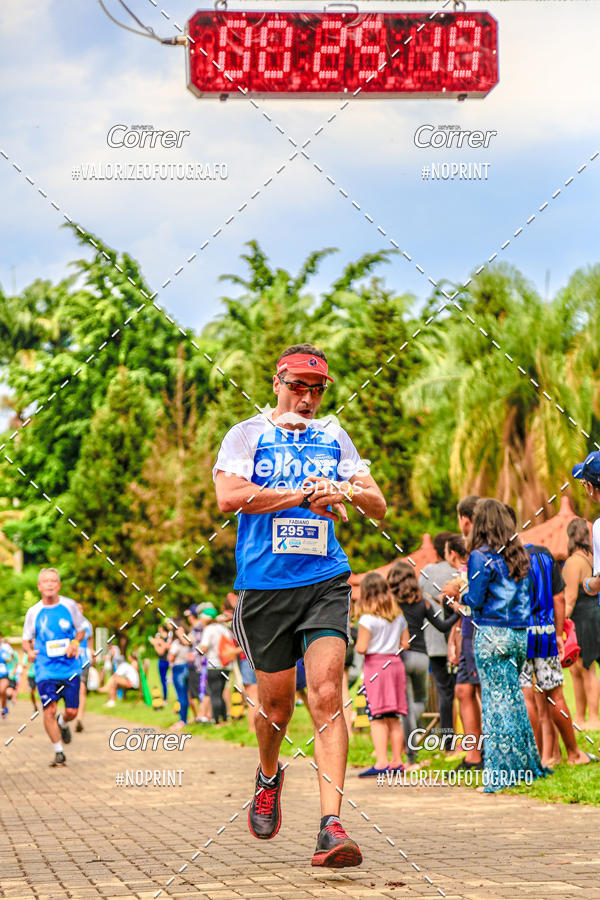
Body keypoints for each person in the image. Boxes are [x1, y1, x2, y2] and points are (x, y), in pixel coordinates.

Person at [214, 343, 386, 868]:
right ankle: (269, 773)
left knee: (328, 693)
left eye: (317, 390)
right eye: (298, 387)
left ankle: (330, 826)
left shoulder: (334, 436)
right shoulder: (246, 435)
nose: (308, 399)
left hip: (325, 579)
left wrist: (343, 490)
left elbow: (377, 502)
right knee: (277, 707)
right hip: (264, 587)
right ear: (276, 382)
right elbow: (228, 497)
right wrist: (300, 495)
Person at [467, 499, 547, 792]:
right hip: (518, 635)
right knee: (513, 701)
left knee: (494, 706)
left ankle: (499, 776)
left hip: (492, 633)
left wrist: (457, 596)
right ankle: (525, 767)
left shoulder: (480, 557)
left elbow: (475, 600)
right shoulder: (520, 556)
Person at [387, 560, 459, 765]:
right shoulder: (424, 602)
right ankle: (409, 747)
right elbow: (443, 626)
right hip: (420, 657)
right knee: (419, 701)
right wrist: (457, 613)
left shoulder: (391, 604)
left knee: (407, 707)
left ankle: (410, 755)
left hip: (399, 657)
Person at [21, 568, 86, 767]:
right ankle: (59, 752)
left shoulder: (69, 605)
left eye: (53, 581)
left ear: (58, 585)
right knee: (49, 709)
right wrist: (30, 653)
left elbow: (81, 629)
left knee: (73, 711)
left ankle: (64, 722)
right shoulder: (34, 611)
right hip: (45, 669)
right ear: (39, 586)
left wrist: (75, 643)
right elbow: (26, 640)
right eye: (45, 581)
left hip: (69, 668)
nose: (49, 584)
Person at [354, 573, 410, 776]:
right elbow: (406, 644)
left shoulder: (367, 619)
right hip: (395, 665)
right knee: (393, 715)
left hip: (376, 667)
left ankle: (381, 763)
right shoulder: (399, 617)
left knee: (376, 715)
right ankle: (397, 762)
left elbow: (361, 647)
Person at [443, 533, 482, 770]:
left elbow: (468, 601)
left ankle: (478, 753)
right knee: (463, 690)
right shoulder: (466, 572)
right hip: (466, 632)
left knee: (475, 691)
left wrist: (458, 605)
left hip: (475, 633)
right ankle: (473, 753)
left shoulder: (469, 570)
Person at [419, 531, 458, 749]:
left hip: (434, 641)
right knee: (464, 691)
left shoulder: (426, 572)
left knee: (444, 694)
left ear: (436, 550)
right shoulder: (458, 572)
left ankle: (447, 741)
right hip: (459, 641)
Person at [563, 517, 600, 729]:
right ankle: (582, 717)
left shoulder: (572, 562)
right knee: (582, 669)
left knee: (585, 669)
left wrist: (559, 623)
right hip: (594, 614)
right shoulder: (591, 557)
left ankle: (590, 717)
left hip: (582, 619)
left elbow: (569, 599)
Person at [198, 606, 241, 725]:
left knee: (214, 693)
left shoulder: (209, 629)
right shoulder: (224, 629)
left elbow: (204, 647)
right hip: (226, 665)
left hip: (214, 664)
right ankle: (225, 719)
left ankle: (216, 721)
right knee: (221, 692)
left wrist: (197, 649)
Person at [226, 594, 259, 732]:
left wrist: (233, 652)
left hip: (248, 659)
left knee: (253, 695)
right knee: (259, 695)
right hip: (257, 659)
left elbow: (250, 642)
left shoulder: (246, 617)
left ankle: (253, 728)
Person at [167, 619, 191, 730]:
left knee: (181, 696)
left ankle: (183, 720)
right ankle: (189, 718)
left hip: (178, 669)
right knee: (187, 695)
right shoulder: (189, 642)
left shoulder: (176, 643)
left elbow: (170, 658)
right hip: (188, 668)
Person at [184, 606, 206, 723]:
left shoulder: (197, 627)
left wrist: (180, 633)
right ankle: (200, 715)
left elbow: (188, 641)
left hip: (198, 664)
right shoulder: (198, 627)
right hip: (200, 663)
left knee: (197, 692)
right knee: (199, 691)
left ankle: (199, 716)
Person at [75, 603, 93, 732]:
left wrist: (92, 650)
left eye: (80, 608)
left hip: (83, 661)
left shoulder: (87, 624)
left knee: (82, 689)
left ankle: (79, 719)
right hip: (70, 661)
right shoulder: (68, 622)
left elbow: (90, 638)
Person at [149, 623, 172, 706]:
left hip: (163, 661)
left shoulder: (163, 638)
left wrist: (155, 644)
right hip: (167, 661)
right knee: (164, 681)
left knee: (163, 681)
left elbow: (160, 651)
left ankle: (165, 699)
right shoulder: (168, 638)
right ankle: (165, 698)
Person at [0, 634, 18, 719]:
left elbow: (11, 657)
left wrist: (8, 659)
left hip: (4, 674)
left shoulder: (5, 648)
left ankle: (4, 707)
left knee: (3, 690)